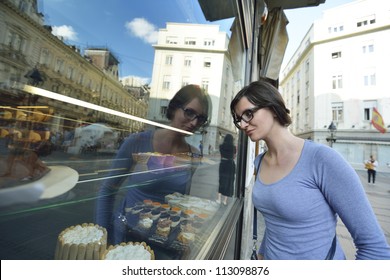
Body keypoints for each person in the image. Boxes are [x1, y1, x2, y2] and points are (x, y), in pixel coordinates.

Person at [230, 79, 390, 260]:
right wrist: (262, 254)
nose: (242, 125)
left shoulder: (322, 159)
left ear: (273, 108)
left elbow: (375, 249)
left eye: (248, 114)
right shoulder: (259, 162)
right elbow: (276, 220)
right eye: (238, 119)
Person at [96, 84, 211, 244]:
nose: (194, 123)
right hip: (128, 239)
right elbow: (107, 190)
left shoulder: (194, 156)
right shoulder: (137, 142)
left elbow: (185, 204)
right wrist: (103, 236)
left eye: (201, 118)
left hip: (167, 242)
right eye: (190, 112)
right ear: (174, 108)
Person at [216, 134, 236, 206]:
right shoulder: (233, 148)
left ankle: (218, 199)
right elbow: (234, 157)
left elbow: (221, 155)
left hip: (223, 164)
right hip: (230, 165)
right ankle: (224, 201)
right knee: (229, 182)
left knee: (221, 180)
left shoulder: (221, 146)